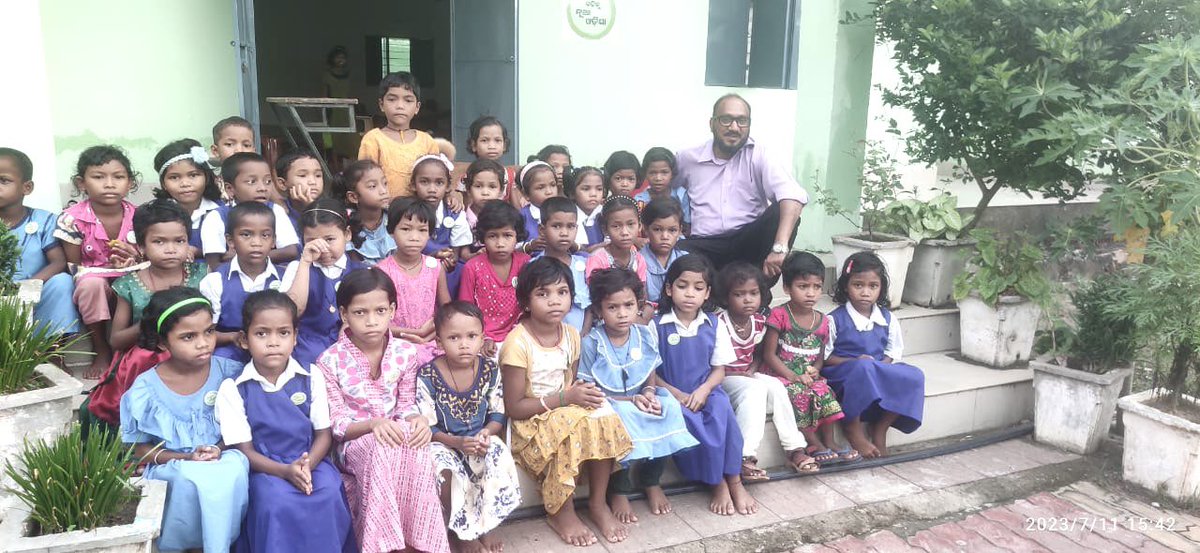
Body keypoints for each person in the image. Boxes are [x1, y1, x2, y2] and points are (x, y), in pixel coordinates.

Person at [500, 258, 633, 546]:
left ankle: (598, 503)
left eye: (562, 292)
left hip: (562, 410)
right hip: (529, 422)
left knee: (604, 413)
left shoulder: (572, 335)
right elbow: (514, 408)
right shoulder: (517, 343)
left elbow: (570, 384)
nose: (554, 301)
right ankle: (561, 510)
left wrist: (579, 398)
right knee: (569, 425)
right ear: (525, 301)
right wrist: (565, 399)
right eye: (542, 294)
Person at [315, 268, 449, 553]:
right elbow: (337, 424)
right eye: (360, 312)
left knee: (416, 443)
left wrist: (419, 420)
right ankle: (385, 547)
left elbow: (406, 405)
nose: (371, 321)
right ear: (344, 314)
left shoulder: (405, 353)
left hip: (394, 432)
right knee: (379, 447)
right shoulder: (329, 361)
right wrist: (372, 424)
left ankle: (419, 543)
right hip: (353, 444)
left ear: (392, 310)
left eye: (380, 311)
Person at [216, 290, 356, 553]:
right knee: (275, 501)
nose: (273, 342)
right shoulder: (234, 388)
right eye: (261, 334)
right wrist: (284, 472)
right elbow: (244, 450)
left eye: (283, 333)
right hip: (265, 468)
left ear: (295, 338)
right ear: (245, 340)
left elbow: (323, 434)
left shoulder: (311, 375)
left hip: (309, 460)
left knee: (328, 491)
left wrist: (306, 466)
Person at [119, 288, 249, 553]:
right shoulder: (145, 389)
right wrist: (186, 458)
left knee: (233, 468)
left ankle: (218, 546)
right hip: (173, 465)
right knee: (189, 478)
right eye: (188, 337)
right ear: (163, 343)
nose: (203, 343)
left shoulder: (231, 375)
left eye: (209, 331)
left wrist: (217, 448)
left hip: (222, 457)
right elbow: (137, 448)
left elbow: (242, 428)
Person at [579, 268, 698, 521]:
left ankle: (651, 480)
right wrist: (631, 400)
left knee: (668, 409)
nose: (622, 314)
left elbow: (649, 370)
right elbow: (590, 390)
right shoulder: (592, 342)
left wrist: (650, 392)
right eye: (612, 307)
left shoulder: (644, 334)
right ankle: (619, 490)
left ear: (639, 305)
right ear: (599, 311)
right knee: (620, 418)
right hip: (610, 403)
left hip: (641, 397)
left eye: (628, 305)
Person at [653, 254, 757, 516]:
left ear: (708, 293)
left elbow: (719, 370)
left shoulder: (713, 323)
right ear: (668, 288)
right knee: (692, 421)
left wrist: (704, 390)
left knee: (723, 414)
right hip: (671, 393)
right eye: (682, 286)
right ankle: (718, 482)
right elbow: (650, 374)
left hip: (706, 389)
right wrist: (675, 393)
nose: (690, 294)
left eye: (698, 288)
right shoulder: (656, 325)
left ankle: (734, 480)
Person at [416, 301, 521, 553]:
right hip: (443, 443)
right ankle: (458, 532)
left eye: (471, 336)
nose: (464, 344)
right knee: (443, 468)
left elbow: (498, 413)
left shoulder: (489, 369)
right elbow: (428, 428)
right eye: (454, 337)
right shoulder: (427, 375)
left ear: (482, 338)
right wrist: (457, 443)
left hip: (478, 439)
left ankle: (486, 523)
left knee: (496, 452)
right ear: (439, 343)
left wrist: (486, 433)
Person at [675, 94, 808, 277]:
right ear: (712, 123)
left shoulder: (760, 155)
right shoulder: (687, 158)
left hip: (748, 243)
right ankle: (712, 295)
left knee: (781, 211)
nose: (734, 127)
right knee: (671, 248)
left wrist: (780, 247)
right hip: (704, 245)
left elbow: (793, 196)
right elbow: (660, 190)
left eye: (742, 121)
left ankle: (757, 290)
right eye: (726, 120)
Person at [715, 262, 819, 478]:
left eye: (753, 293)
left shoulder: (760, 322)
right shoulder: (717, 323)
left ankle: (795, 450)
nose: (747, 299)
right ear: (725, 298)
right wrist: (741, 376)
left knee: (777, 386)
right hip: (723, 378)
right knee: (756, 390)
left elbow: (759, 353)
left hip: (747, 376)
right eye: (739, 294)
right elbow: (713, 364)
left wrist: (752, 370)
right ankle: (744, 457)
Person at [824, 251, 925, 458]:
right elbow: (825, 358)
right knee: (864, 367)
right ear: (846, 286)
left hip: (875, 372)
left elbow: (892, 353)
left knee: (915, 375)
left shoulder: (888, 319)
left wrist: (880, 368)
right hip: (844, 375)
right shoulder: (834, 320)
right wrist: (856, 362)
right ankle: (852, 427)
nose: (865, 292)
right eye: (858, 285)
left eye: (873, 286)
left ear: (881, 288)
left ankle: (880, 427)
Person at [54, 145, 141, 377]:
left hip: (130, 278)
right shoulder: (72, 219)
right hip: (94, 285)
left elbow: (149, 255)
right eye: (98, 177)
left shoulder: (140, 216)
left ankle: (133, 348)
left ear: (130, 182)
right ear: (82, 183)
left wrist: (133, 256)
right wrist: (103, 271)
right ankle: (101, 348)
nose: (109, 183)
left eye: (118, 177)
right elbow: (73, 266)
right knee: (90, 283)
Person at [762, 252, 858, 465]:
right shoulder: (779, 315)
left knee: (823, 391)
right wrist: (793, 376)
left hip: (807, 374)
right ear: (787, 288)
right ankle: (813, 442)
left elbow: (820, 355)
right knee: (799, 394)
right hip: (781, 373)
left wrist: (815, 369)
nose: (811, 293)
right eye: (803, 286)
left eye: (816, 287)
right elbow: (768, 355)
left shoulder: (823, 321)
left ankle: (830, 441)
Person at [0, 147, 79, 335]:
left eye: (3, 180)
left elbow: (58, 262)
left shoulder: (43, 220)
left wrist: (27, 286)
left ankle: (52, 352)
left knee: (62, 282)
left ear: (27, 187)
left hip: (34, 292)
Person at [281, 199, 367, 367]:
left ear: (347, 234)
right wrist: (305, 262)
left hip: (353, 342)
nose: (322, 248)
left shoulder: (362, 271)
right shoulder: (297, 268)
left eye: (329, 239)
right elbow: (292, 311)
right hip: (307, 346)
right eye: (312, 240)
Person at [198, 202, 283, 363]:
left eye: (265, 235)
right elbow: (205, 332)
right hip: (231, 353)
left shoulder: (285, 278)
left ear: (273, 241)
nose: (256, 242)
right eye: (246, 234)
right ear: (230, 241)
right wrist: (232, 337)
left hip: (275, 350)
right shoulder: (215, 281)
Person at [375, 197, 451, 365]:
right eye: (406, 229)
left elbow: (447, 310)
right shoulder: (381, 271)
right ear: (391, 231)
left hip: (431, 341)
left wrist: (433, 330)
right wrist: (410, 333)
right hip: (393, 342)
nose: (414, 237)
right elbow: (376, 317)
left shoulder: (435, 267)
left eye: (422, 230)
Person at [200, 152, 301, 270]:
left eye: (267, 181)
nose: (262, 188)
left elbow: (291, 251)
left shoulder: (275, 211)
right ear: (230, 189)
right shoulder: (217, 217)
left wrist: (242, 258)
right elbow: (214, 264)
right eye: (252, 182)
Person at [457, 201, 530, 357]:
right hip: (481, 337)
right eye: (492, 236)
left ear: (517, 236)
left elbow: (531, 305)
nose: (500, 243)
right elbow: (466, 310)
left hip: (520, 333)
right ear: (482, 237)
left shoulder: (525, 263)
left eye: (507, 235)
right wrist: (483, 337)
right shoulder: (473, 267)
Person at [357, 72, 442, 199]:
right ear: (381, 104)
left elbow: (438, 177)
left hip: (421, 213)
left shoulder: (427, 141)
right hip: (384, 212)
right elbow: (365, 179)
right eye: (392, 99)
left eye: (408, 100)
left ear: (417, 107)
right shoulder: (373, 139)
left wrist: (448, 196)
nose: (400, 106)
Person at [152, 138, 224, 257]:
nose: (185, 184)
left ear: (206, 177)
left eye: (193, 175)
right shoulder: (155, 214)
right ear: (163, 184)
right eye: (174, 177)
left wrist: (198, 252)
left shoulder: (222, 211)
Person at [412, 154, 471, 294]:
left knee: (459, 273)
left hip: (447, 266)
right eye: (424, 182)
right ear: (413, 185)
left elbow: (455, 254)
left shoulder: (454, 213)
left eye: (439, 183)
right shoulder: (407, 213)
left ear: (447, 186)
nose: (432, 189)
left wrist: (450, 259)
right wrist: (432, 256)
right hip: (416, 263)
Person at [533, 197, 591, 332]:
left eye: (570, 227)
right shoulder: (534, 267)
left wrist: (583, 335)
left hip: (579, 338)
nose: (564, 233)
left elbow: (590, 307)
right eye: (556, 226)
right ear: (542, 230)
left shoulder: (585, 265)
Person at [585, 196, 648, 289]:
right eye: (616, 226)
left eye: (630, 224)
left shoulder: (639, 259)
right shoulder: (598, 260)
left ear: (639, 226)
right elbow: (594, 294)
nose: (625, 232)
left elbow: (641, 292)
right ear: (605, 230)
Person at [339, 159, 395, 265]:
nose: (383, 191)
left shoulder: (396, 218)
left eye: (385, 183)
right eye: (373, 186)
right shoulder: (347, 228)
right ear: (353, 197)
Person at [459, 116, 522, 208]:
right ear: (474, 145)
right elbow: (467, 208)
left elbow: (516, 208)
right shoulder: (469, 175)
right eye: (484, 140)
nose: (492, 146)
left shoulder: (510, 175)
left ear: (504, 145)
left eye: (497, 140)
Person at [640, 197, 686, 306]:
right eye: (657, 229)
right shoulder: (637, 262)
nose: (665, 236)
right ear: (645, 229)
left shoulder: (685, 260)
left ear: (680, 231)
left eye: (672, 230)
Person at [635, 147, 690, 232]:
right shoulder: (639, 200)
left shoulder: (681, 195)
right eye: (653, 173)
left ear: (672, 173)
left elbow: (687, 227)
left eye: (664, 172)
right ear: (645, 174)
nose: (658, 178)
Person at [462, 158, 506, 256]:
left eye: (492, 187)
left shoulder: (505, 217)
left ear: (501, 191)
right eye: (478, 186)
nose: (485, 193)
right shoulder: (463, 219)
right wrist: (475, 256)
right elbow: (463, 254)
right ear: (468, 190)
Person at [275, 150, 326, 234]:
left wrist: (312, 209)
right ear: (283, 184)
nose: (313, 182)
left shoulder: (330, 209)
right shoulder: (278, 214)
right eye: (302, 175)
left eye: (318, 175)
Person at [516, 161, 561, 252]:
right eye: (541, 187)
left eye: (552, 185)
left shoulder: (564, 212)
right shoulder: (521, 216)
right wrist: (530, 246)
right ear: (526, 194)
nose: (549, 192)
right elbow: (512, 248)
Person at [209, 116, 257, 194]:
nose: (239, 150)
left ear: (254, 151)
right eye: (230, 144)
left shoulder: (262, 185)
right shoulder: (210, 188)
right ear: (215, 151)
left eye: (246, 145)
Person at [566, 166, 605, 248]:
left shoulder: (605, 213)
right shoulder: (567, 216)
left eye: (599, 189)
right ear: (572, 193)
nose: (593, 194)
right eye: (586, 189)